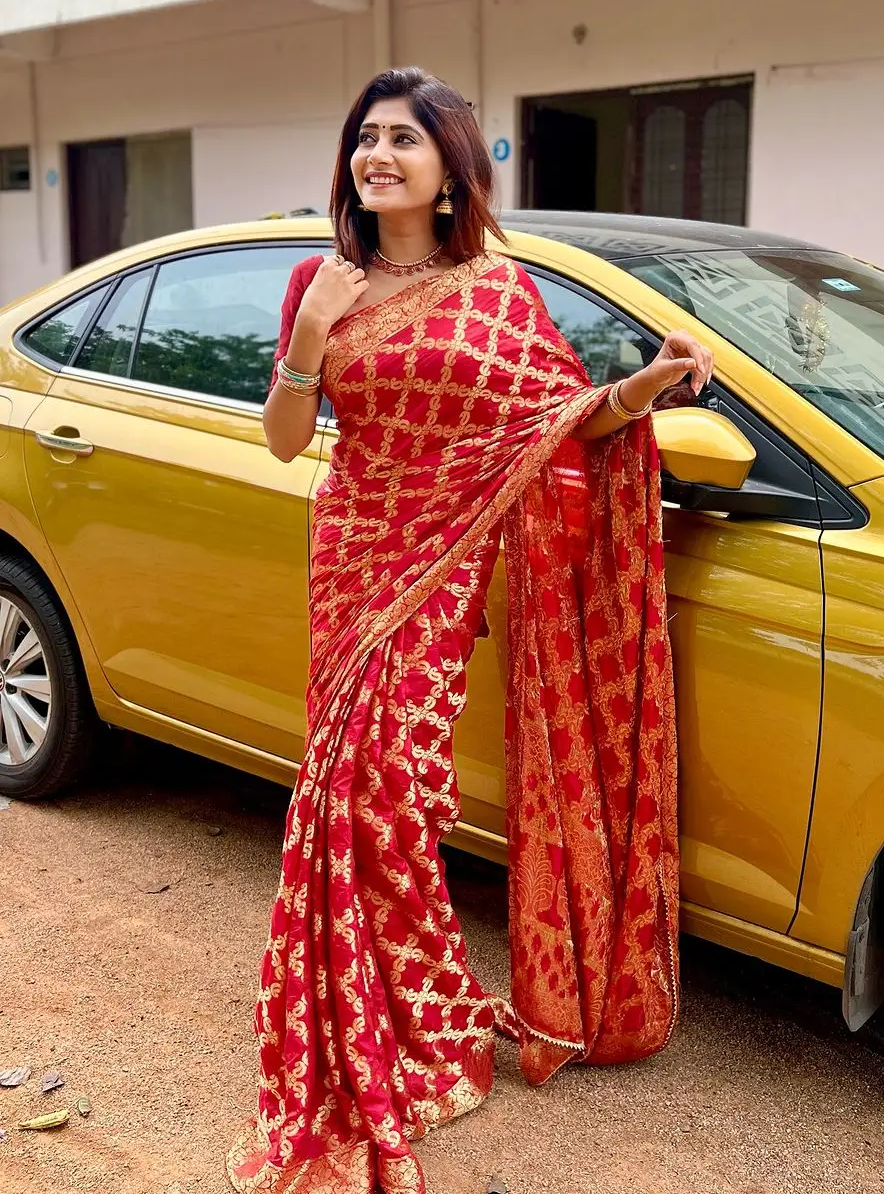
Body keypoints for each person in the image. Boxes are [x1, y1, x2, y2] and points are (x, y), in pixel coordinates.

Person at [227, 66, 713, 1194]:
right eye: (365, 138)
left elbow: (560, 421)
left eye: (403, 138)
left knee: (393, 796)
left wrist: (644, 388)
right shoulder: (321, 277)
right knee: (348, 790)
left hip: (444, 568)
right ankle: (410, 1010)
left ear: (452, 169)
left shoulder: (496, 292)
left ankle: (428, 1018)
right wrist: (308, 331)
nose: (377, 154)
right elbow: (288, 443)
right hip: (355, 554)